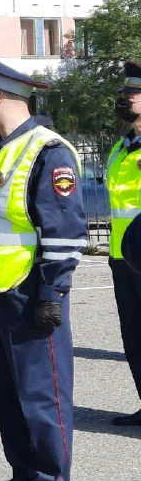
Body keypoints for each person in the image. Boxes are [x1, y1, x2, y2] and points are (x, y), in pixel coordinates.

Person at [0, 50, 86, 481]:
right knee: (5, 397)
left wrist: (51, 292)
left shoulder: (47, 151)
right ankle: (21, 478)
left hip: (28, 293)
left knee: (41, 398)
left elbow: (64, 230)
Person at [105, 61, 141, 426]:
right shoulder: (121, 146)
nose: (124, 99)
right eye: (124, 94)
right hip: (121, 255)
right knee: (133, 335)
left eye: (132, 94)